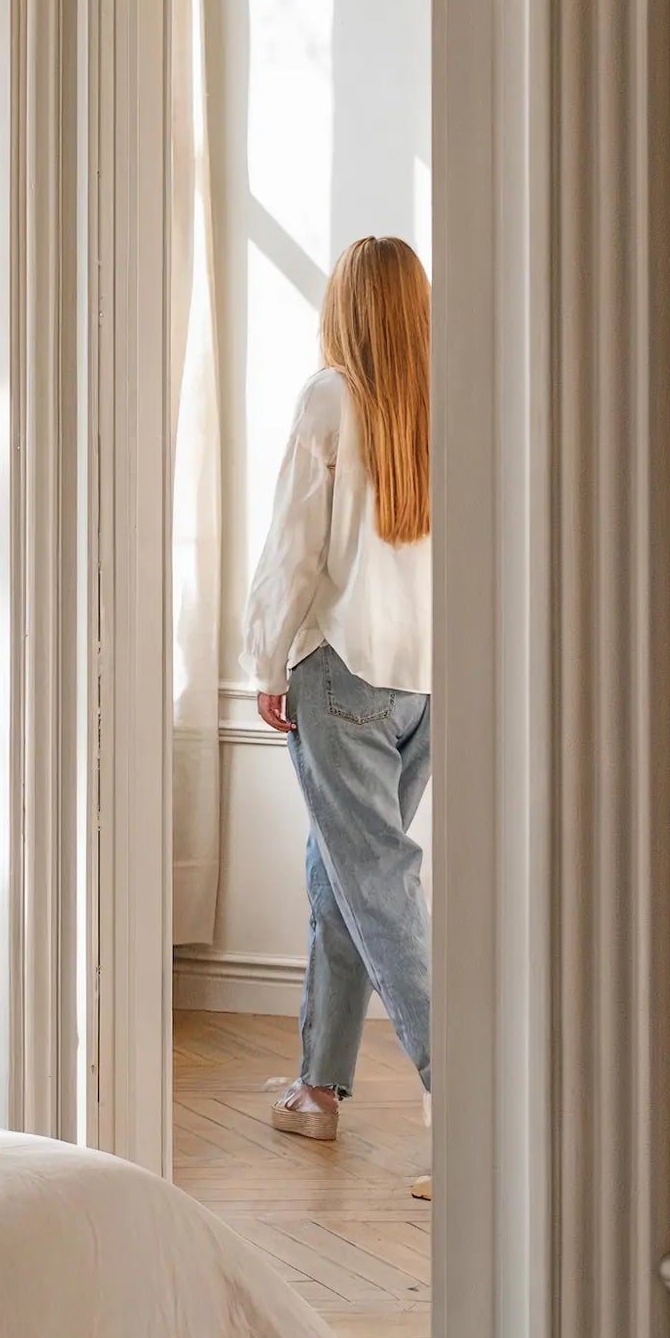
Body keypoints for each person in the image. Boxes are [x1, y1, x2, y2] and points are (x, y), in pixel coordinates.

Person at [240, 236, 432, 1196]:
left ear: (346, 307)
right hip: (426, 684)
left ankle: (468, 1101)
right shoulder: (452, 398)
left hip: (341, 674)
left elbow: (293, 550)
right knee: (345, 874)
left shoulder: (331, 397)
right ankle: (317, 1090)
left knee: (377, 885)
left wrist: (264, 657)